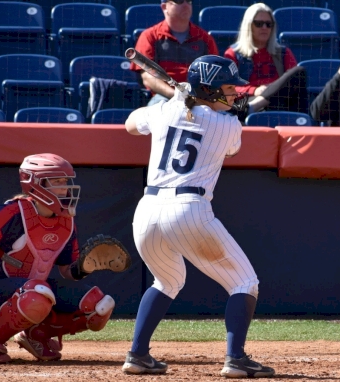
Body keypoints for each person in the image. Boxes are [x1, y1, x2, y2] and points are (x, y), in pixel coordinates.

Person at [121, 55, 275, 379]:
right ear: (209, 89)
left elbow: (131, 124)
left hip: (146, 212)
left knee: (167, 281)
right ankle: (236, 358)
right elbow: (229, 145)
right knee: (245, 282)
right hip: (188, 209)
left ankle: (137, 354)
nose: (234, 93)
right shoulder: (228, 124)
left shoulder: (164, 110)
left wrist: (171, 101)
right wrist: (183, 99)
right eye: (228, 87)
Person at [0, 153, 118, 363]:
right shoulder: (13, 212)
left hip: (37, 291)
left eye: (66, 182)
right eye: (58, 182)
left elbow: (65, 271)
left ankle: (36, 335)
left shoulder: (66, 220)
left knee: (99, 306)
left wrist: (84, 268)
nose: (65, 188)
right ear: (36, 184)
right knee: (36, 294)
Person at [224, 3, 309, 120]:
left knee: (299, 72)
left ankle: (254, 106)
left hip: (278, 100)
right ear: (249, 26)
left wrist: (270, 91)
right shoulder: (233, 53)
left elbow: (292, 83)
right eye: (259, 24)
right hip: (247, 99)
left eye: (269, 24)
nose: (264, 28)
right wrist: (254, 90)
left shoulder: (283, 52)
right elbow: (227, 87)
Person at [131, 0, 219, 105]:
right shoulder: (149, 36)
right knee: (155, 115)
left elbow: (214, 74)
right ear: (164, 7)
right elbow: (148, 77)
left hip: (198, 97)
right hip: (164, 97)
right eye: (179, 1)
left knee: (223, 117)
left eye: (189, 1)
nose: (186, 5)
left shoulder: (205, 38)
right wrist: (176, 95)